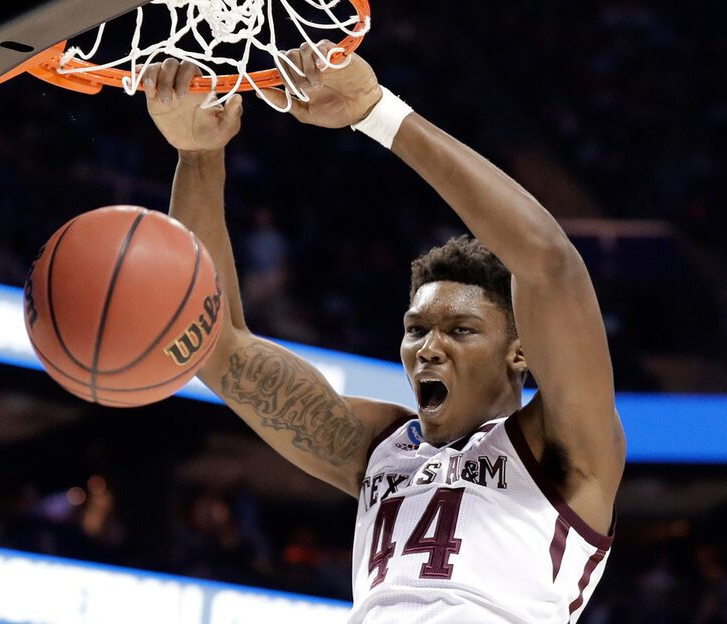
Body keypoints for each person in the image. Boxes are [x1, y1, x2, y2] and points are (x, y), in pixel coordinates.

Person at [141, 41, 626, 623]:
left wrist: (376, 113)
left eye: (461, 330)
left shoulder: (562, 448)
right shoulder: (380, 449)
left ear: (519, 351)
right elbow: (217, 348)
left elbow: (547, 261)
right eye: (416, 329)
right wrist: (197, 156)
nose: (429, 347)